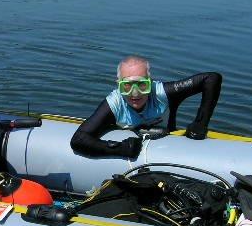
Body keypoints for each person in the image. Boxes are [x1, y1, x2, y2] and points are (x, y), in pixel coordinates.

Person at [70, 55, 222, 159]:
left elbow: (211, 78)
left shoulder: (162, 93)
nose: (135, 93)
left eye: (142, 85)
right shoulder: (114, 103)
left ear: (151, 83)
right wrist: (121, 149)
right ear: (118, 85)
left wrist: (200, 124)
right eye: (127, 86)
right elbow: (79, 139)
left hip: (171, 150)